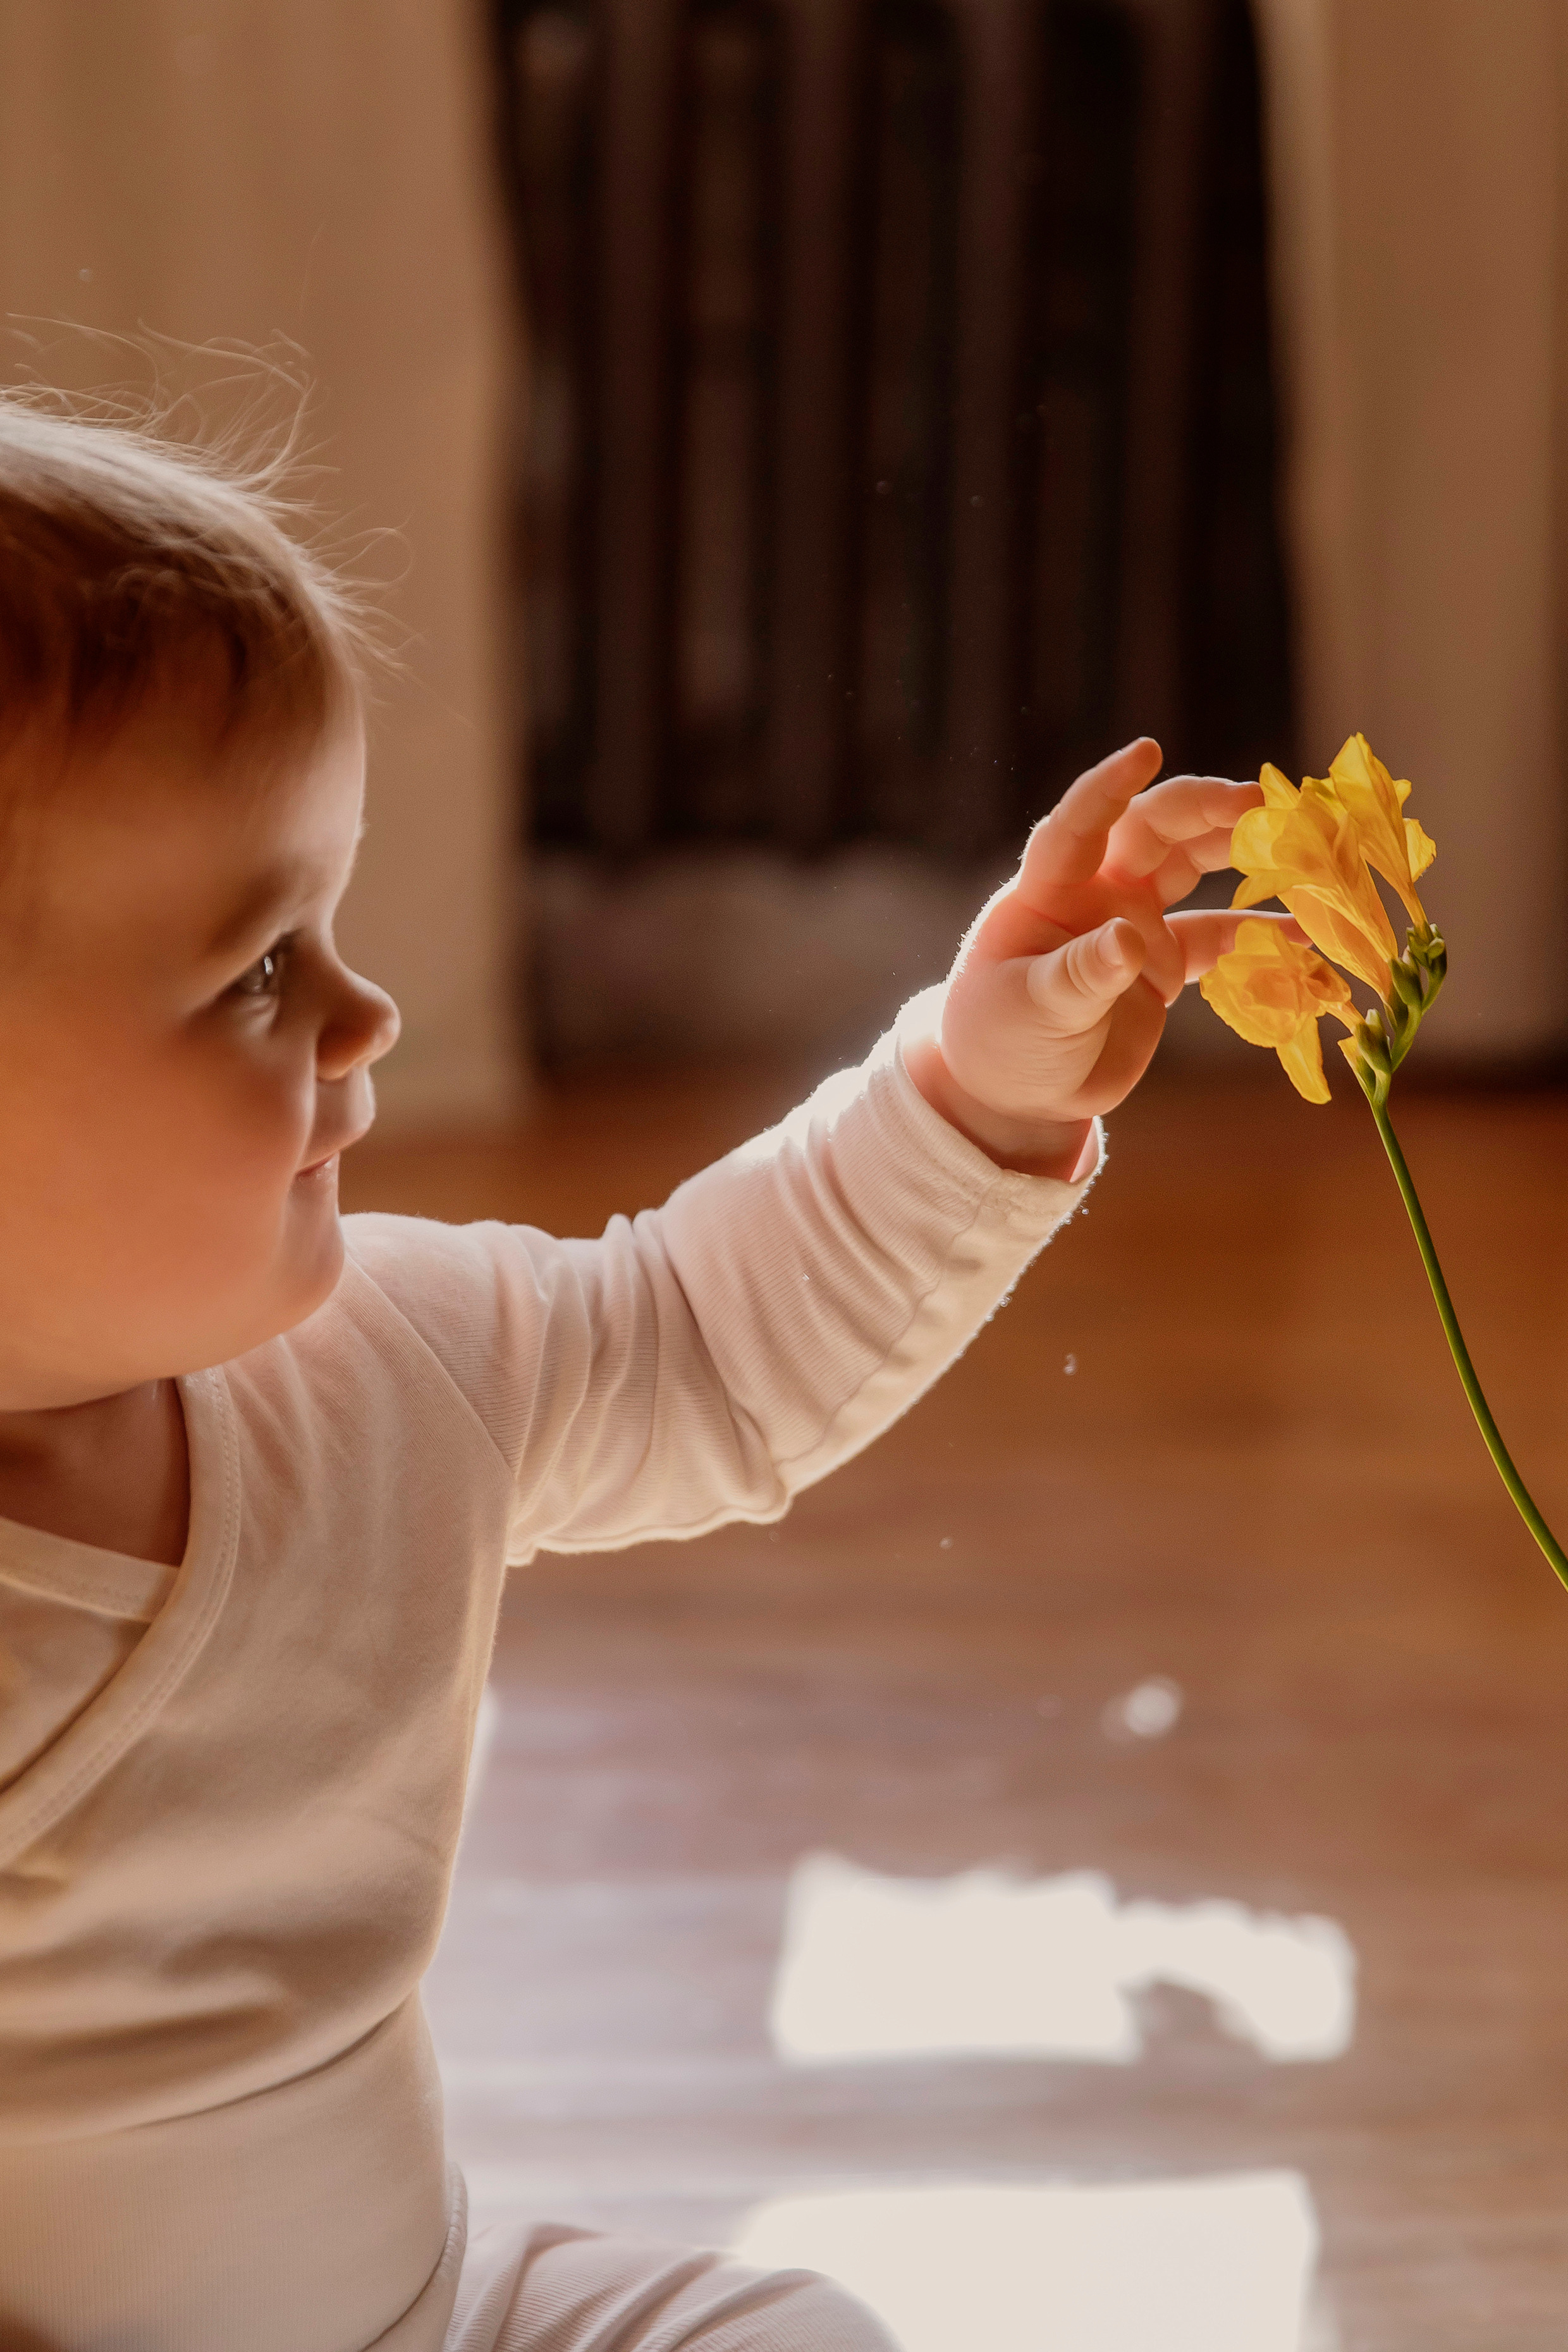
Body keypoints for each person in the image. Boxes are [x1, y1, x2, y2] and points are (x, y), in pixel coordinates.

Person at [0, 398, 1277, 2352]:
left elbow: (699, 1349)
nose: (370, 1009)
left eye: (325, 919)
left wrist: (973, 1089)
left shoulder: (377, 1370)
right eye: (255, 970)